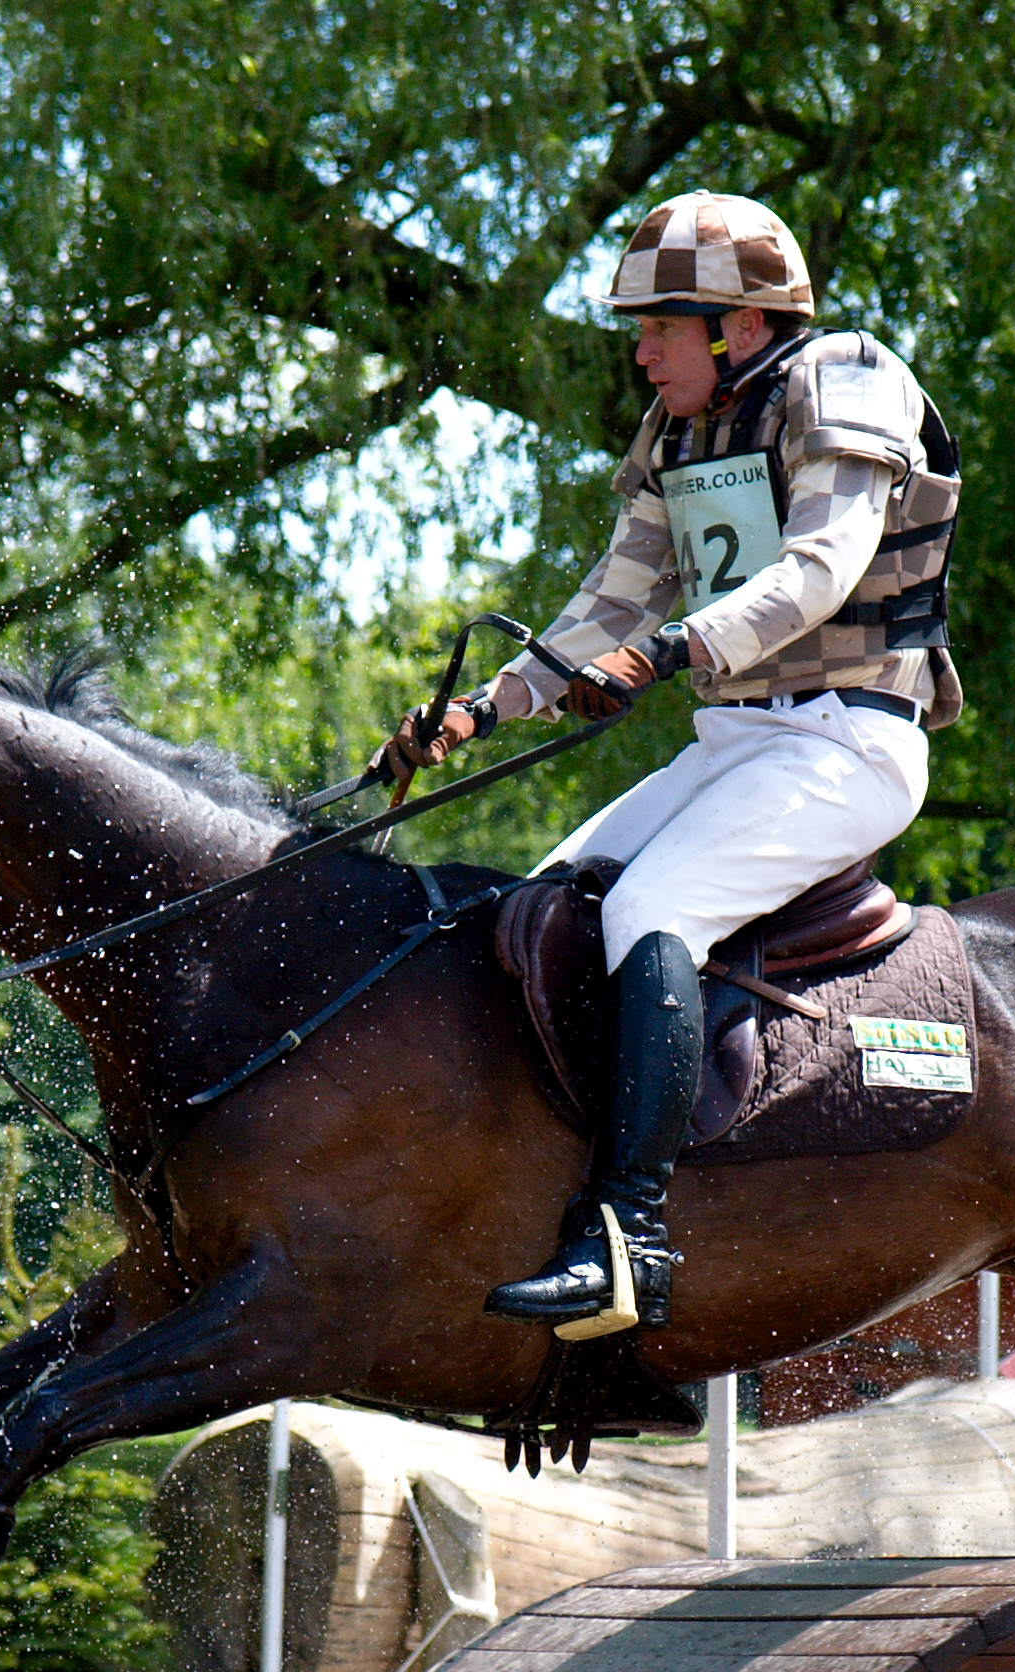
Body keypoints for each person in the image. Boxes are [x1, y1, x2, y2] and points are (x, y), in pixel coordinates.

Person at [382, 190, 962, 1341]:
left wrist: (670, 649)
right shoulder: (682, 429)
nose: (642, 352)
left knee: (652, 905)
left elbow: (821, 567)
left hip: (849, 739)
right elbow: (613, 597)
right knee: (544, 903)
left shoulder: (847, 380)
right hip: (742, 741)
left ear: (738, 326)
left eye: (660, 327)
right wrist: (479, 711)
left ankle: (630, 1241)